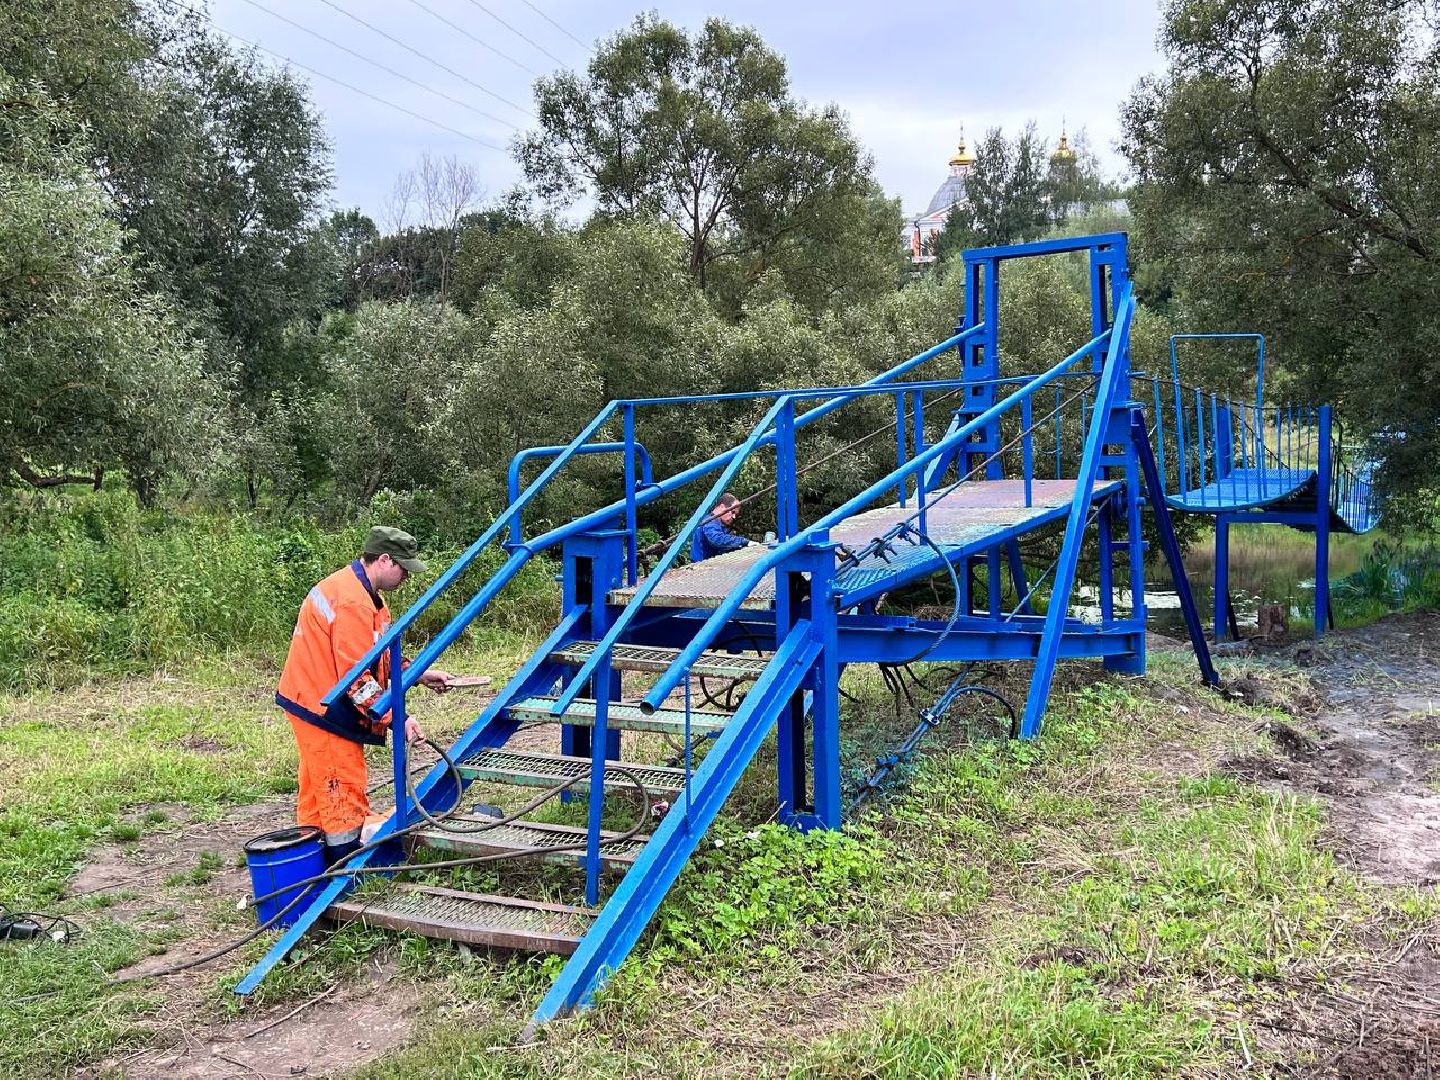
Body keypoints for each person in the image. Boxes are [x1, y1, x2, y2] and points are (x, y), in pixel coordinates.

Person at [275, 526, 454, 865]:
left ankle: (310, 861)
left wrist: (416, 673)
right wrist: (397, 719)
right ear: (384, 560)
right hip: (322, 707)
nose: (406, 577)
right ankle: (347, 866)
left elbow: (377, 653)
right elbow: (356, 680)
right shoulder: (352, 602)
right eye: (403, 568)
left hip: (310, 698)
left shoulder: (365, 594)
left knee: (318, 791)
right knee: (340, 789)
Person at [690, 492, 756, 562]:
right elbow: (717, 539)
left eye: (736, 514)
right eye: (732, 512)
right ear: (722, 507)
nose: (734, 517)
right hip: (702, 565)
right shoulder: (709, 521)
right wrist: (744, 541)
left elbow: (721, 547)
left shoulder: (717, 523)